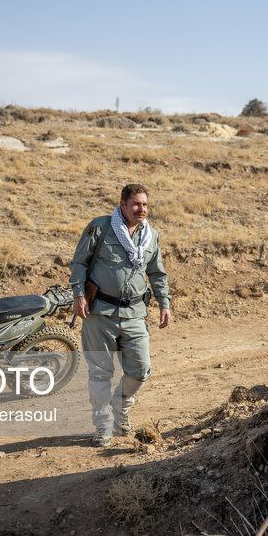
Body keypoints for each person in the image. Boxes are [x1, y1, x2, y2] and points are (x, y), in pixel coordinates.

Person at [69, 183, 171, 447]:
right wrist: (79, 295)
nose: (142, 209)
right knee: (100, 372)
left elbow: (157, 273)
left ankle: (120, 407)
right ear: (123, 204)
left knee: (140, 370)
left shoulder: (151, 236)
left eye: (145, 205)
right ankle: (103, 426)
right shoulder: (100, 228)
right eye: (136, 204)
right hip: (99, 312)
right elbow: (79, 262)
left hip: (135, 313)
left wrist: (164, 303)